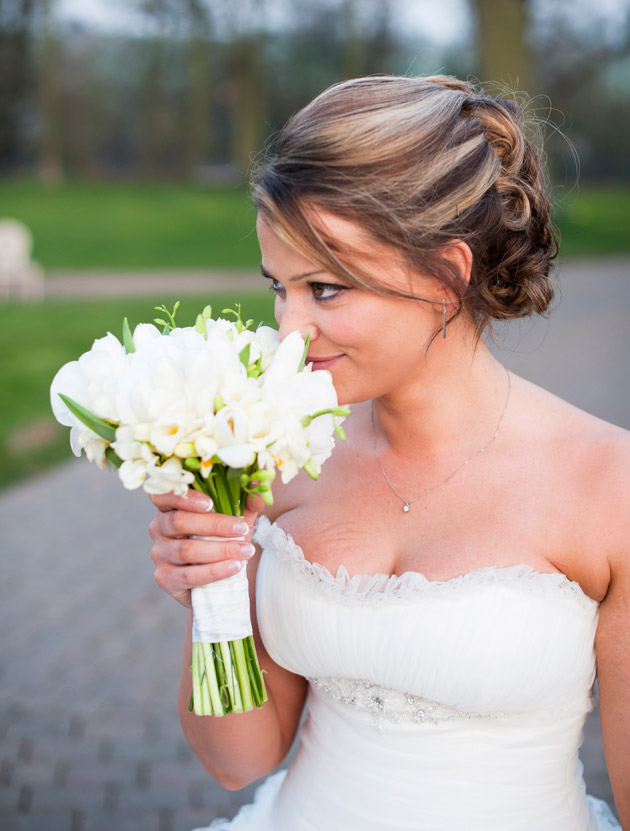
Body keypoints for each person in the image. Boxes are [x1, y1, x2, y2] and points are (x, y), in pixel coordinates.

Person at [148, 75, 628, 830]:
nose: (289, 329)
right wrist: (213, 590)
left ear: (447, 276)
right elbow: (237, 758)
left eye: (327, 289)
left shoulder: (608, 484)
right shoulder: (276, 454)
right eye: (279, 286)